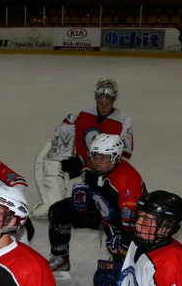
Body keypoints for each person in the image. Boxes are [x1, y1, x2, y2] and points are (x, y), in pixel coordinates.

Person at [31, 77, 133, 217]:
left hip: (103, 169)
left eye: (107, 104)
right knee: (52, 161)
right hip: (80, 162)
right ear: (96, 99)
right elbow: (65, 129)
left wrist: (93, 168)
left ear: (114, 100)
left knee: (93, 202)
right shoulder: (85, 110)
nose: (103, 107)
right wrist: (66, 155)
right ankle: (54, 204)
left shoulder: (123, 119)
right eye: (100, 102)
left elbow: (124, 154)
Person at [47, 133, 144, 273]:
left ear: (116, 157)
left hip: (123, 226)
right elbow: (93, 187)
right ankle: (60, 258)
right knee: (58, 210)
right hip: (103, 213)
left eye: (104, 157)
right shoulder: (93, 166)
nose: (97, 160)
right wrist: (84, 196)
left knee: (111, 276)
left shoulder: (127, 182)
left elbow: (138, 225)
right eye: (95, 155)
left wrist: (124, 243)